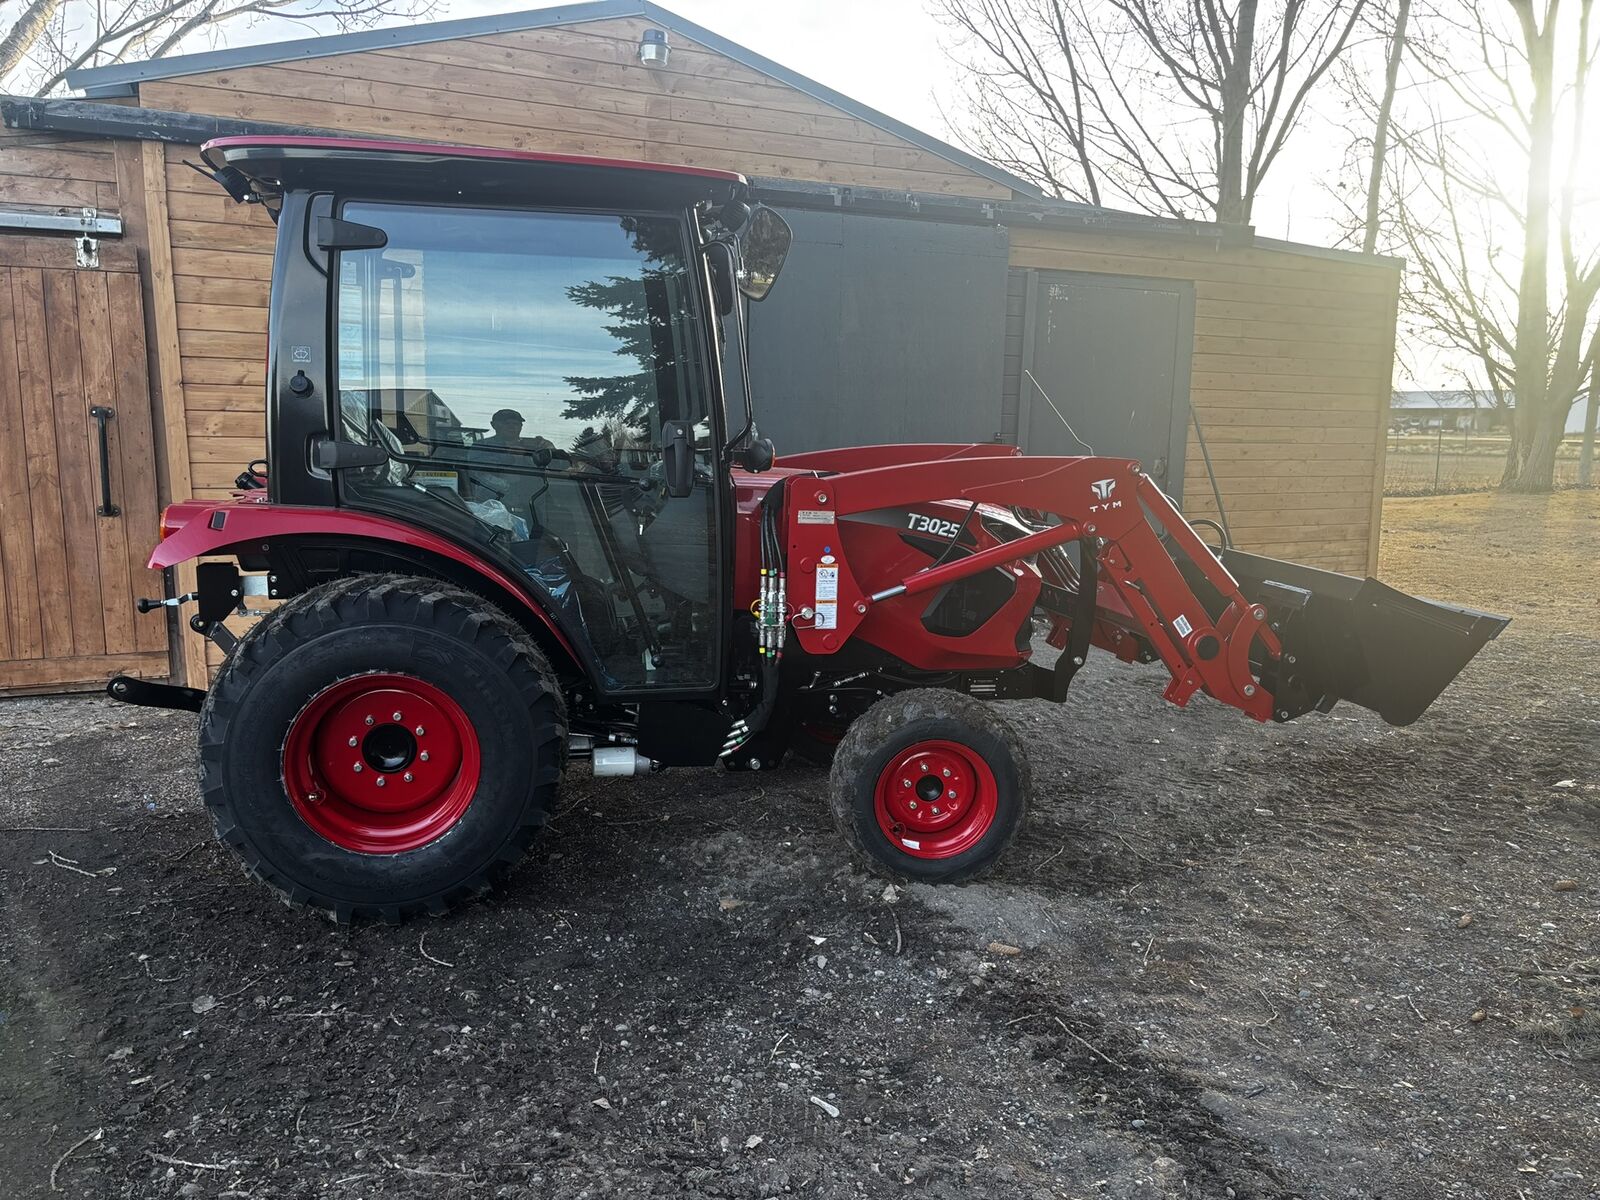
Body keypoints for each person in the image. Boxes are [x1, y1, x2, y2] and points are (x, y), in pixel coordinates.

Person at [465, 409, 553, 529]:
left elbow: (559, 467)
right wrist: (510, 457)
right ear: (494, 425)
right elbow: (478, 470)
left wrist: (549, 450)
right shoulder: (482, 446)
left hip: (532, 506)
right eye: (507, 423)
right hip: (494, 507)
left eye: (516, 424)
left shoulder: (534, 447)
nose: (512, 427)